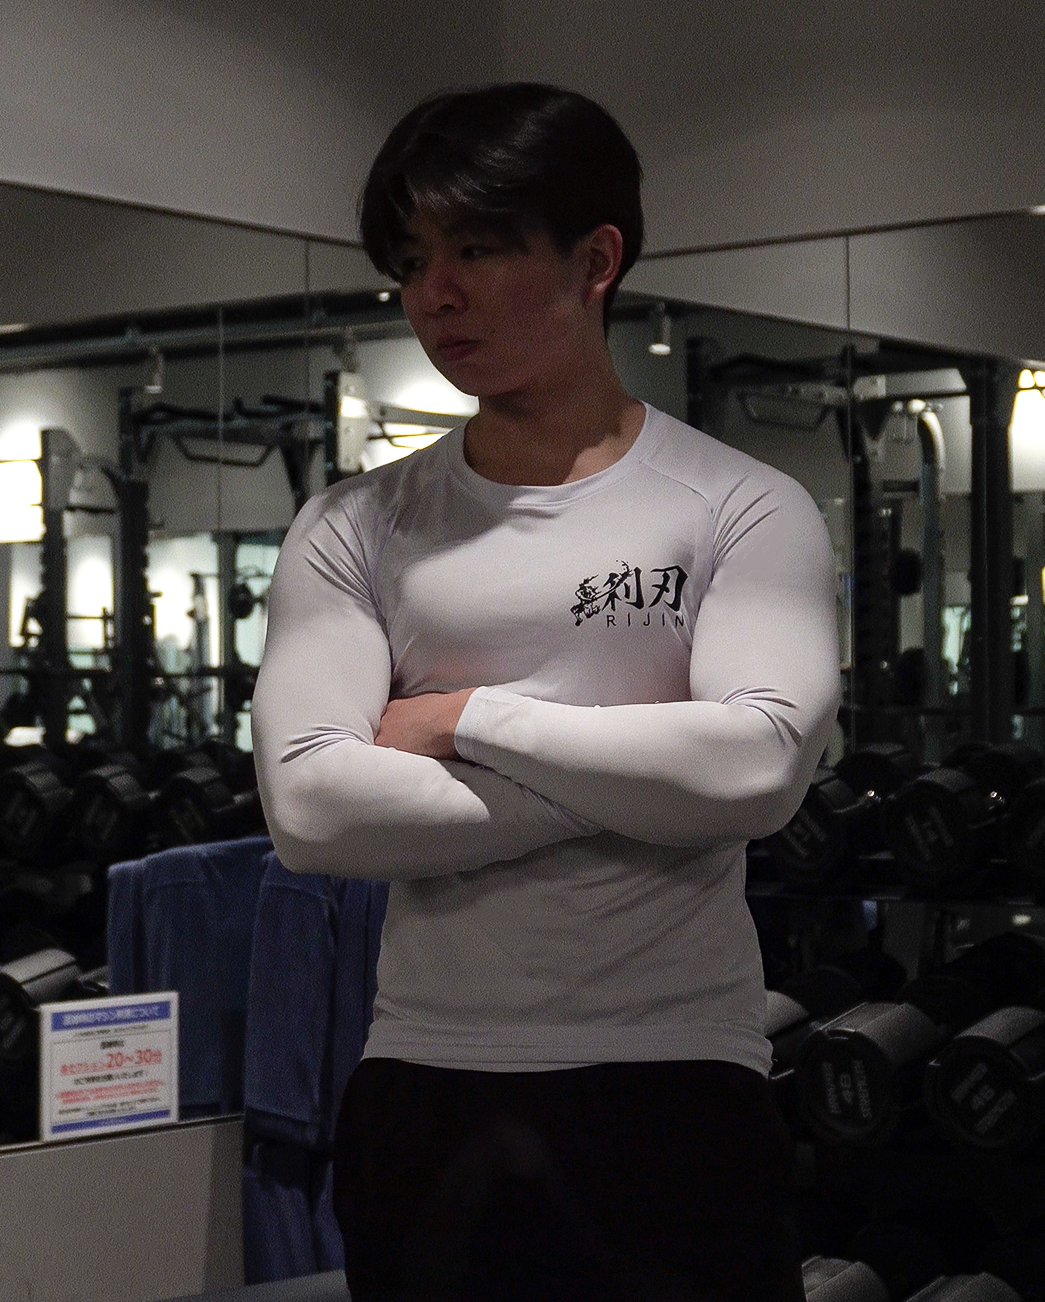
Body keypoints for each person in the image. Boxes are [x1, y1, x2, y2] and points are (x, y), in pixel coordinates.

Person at [251, 83, 841, 1302]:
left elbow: (756, 772)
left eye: (476, 249)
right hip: (428, 1079)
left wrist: (468, 720)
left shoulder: (741, 506)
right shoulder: (352, 526)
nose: (434, 294)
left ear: (595, 261)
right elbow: (312, 811)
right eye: (411, 261)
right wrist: (653, 784)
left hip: (677, 1075)